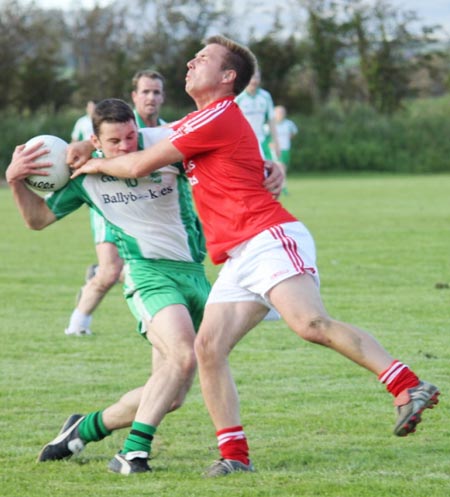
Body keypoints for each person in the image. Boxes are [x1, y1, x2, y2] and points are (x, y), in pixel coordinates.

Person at [71, 35, 440, 478]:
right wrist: (83, 148)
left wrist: (91, 164)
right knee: (208, 349)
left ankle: (408, 385)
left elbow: (134, 164)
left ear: (227, 77)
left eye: (202, 58)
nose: (191, 62)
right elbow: (126, 139)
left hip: (268, 235)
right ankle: (235, 456)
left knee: (309, 324)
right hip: (240, 255)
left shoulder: (219, 115)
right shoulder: (197, 120)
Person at [6, 98, 209, 474]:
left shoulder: (163, 150)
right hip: (148, 275)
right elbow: (37, 219)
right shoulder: (85, 178)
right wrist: (15, 180)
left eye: (131, 137)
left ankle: (82, 429)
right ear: (96, 141)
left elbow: (213, 144)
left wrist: (268, 167)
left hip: (195, 274)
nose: (126, 146)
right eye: (115, 141)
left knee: (172, 395)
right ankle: (132, 454)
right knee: (183, 356)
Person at [65, 71, 167, 336]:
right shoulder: (120, 124)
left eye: (156, 92)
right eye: (145, 91)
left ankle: (158, 321)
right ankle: (78, 324)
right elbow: (88, 144)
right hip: (110, 203)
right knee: (111, 271)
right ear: (134, 96)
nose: (151, 97)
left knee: (143, 267)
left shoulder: (165, 130)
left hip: (146, 211)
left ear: (163, 97)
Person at [235, 68, 280, 161]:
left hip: (262, 141)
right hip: (243, 143)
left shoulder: (265, 96)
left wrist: (276, 142)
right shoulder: (238, 97)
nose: (254, 80)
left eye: (257, 77)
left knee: (267, 172)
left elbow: (271, 120)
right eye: (251, 77)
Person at [271, 104, 298, 194]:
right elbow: (266, 136)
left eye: (282, 112)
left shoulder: (289, 124)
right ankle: (282, 187)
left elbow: (294, 132)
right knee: (280, 167)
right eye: (278, 112)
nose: (280, 114)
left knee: (283, 168)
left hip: (285, 148)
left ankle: (279, 186)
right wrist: (271, 143)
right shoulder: (271, 124)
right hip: (275, 150)